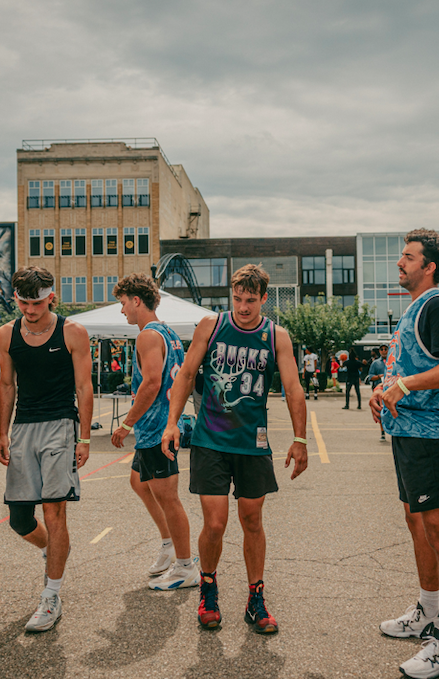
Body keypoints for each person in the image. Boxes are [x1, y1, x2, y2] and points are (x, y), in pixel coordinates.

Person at [162, 264, 308, 635]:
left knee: (252, 521)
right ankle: (208, 589)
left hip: (252, 444)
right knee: (215, 523)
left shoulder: (277, 336)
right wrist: (171, 423)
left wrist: (300, 437)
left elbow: (293, 388)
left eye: (251, 300)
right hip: (211, 440)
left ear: (263, 298)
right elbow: (186, 375)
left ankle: (255, 598)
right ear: (232, 296)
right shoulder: (211, 326)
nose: (243, 307)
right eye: (238, 299)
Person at [369, 229, 439, 679]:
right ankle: (427, 612)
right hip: (407, 433)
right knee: (417, 523)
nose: (400, 263)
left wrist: (404, 386)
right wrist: (383, 389)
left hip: (432, 437)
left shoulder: (438, 305)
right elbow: (407, 367)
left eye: (408, 257)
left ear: (429, 266)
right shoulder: (415, 308)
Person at [0, 266, 93, 633]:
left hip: (60, 426)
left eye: (36, 302)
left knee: (54, 513)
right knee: (19, 520)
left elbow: (84, 388)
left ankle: (51, 596)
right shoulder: (6, 334)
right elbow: (6, 385)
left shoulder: (73, 332)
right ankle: (54, 551)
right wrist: (2, 433)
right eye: (23, 302)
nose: (30, 309)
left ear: (51, 297)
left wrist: (84, 438)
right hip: (23, 427)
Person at [110, 274, 200, 589]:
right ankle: (169, 544)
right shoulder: (168, 333)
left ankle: (186, 565)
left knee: (167, 496)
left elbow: (152, 383)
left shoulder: (148, 335)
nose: (122, 311)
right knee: (139, 482)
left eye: (123, 303)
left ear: (137, 300)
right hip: (158, 426)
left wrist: (126, 423)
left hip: (156, 427)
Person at [368, 345, 388, 440]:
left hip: (391, 389)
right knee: (380, 409)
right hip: (379, 390)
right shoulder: (375, 363)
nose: (384, 351)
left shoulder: (393, 361)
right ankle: (382, 432)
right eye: (382, 349)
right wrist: (379, 377)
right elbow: (370, 376)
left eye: (385, 349)